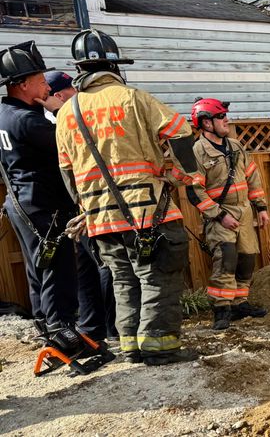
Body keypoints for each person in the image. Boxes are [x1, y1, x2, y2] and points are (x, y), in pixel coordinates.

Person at [55, 29, 203, 366]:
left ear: (80, 69)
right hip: (148, 212)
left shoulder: (67, 112)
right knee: (158, 276)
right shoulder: (133, 98)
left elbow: (67, 170)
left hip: (100, 218)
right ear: (114, 66)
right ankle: (160, 346)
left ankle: (131, 346)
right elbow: (179, 133)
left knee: (123, 280)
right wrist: (184, 175)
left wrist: (88, 206)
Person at [0, 41, 105, 354]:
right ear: (22, 85)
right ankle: (64, 338)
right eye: (40, 79)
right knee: (58, 271)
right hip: (44, 206)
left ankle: (48, 330)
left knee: (39, 271)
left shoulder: (5, 114)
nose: (46, 83)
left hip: (21, 204)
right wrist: (59, 109)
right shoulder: (28, 121)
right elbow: (72, 142)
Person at [45, 70, 119, 343]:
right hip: (87, 206)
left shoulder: (59, 120)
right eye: (71, 92)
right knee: (106, 265)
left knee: (88, 268)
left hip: (77, 207)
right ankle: (113, 329)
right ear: (60, 95)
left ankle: (92, 327)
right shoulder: (60, 122)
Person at [187, 98, 269, 330]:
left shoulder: (236, 146)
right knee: (226, 259)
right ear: (206, 123)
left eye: (225, 115)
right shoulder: (198, 151)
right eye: (221, 116)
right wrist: (219, 215)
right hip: (220, 216)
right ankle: (222, 309)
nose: (227, 120)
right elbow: (195, 192)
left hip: (243, 212)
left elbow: (252, 177)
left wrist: (260, 207)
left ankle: (239, 303)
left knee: (247, 258)